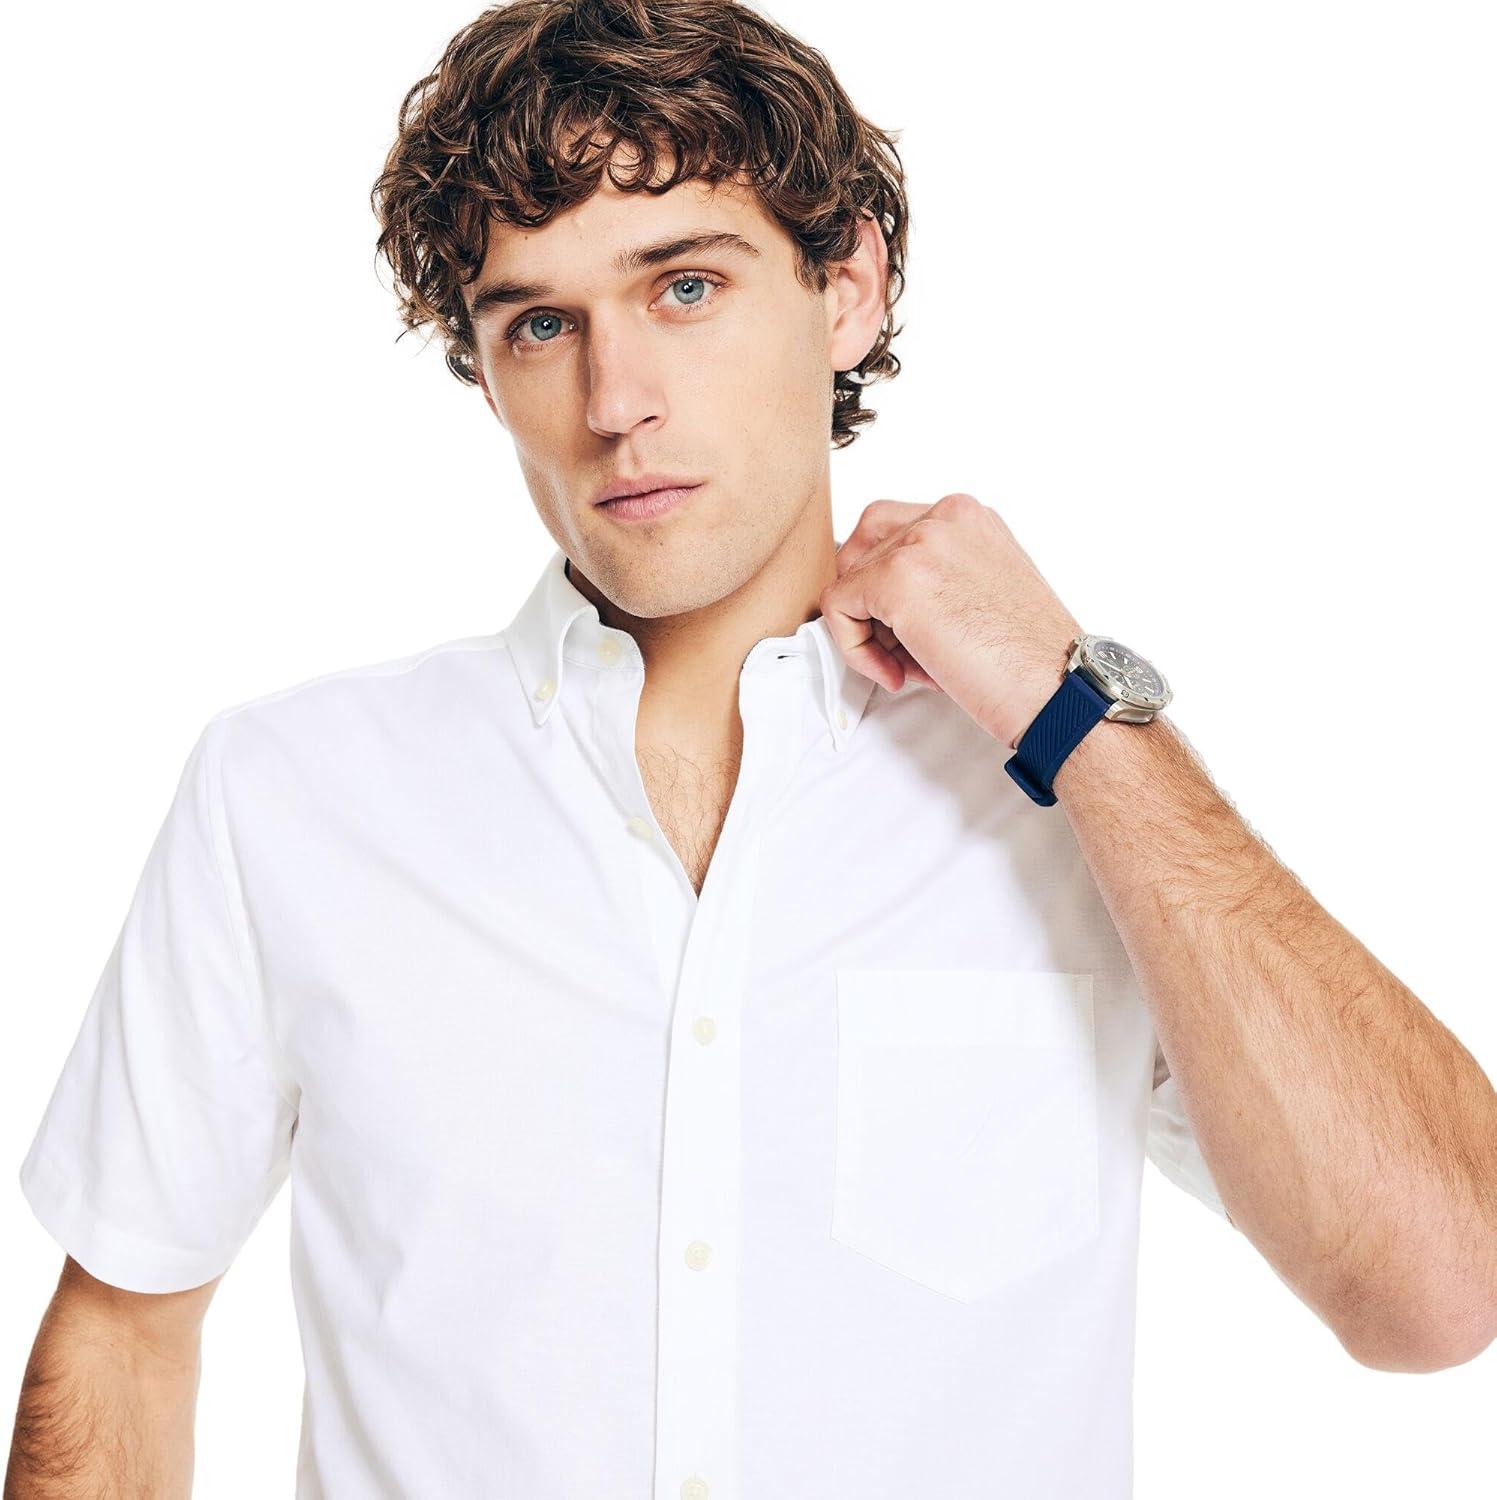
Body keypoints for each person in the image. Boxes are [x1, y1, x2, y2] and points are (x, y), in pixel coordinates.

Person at [10, 0, 1497, 1495]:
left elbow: (1442, 1292)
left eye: (685, 287)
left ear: (846, 288)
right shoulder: (294, 798)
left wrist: (1072, 713)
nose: (616, 403)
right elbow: (124, 1336)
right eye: (541, 324)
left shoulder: (1067, 803)